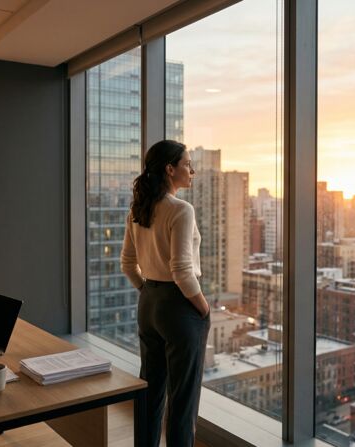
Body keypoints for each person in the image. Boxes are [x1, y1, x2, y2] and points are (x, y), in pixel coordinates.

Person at [121, 139, 210, 447]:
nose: (192, 171)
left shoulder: (138, 208)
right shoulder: (181, 210)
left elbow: (127, 263)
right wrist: (203, 307)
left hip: (149, 304)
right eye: (187, 164)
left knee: (150, 390)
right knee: (183, 400)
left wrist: (147, 291)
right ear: (170, 169)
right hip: (178, 306)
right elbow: (182, 270)